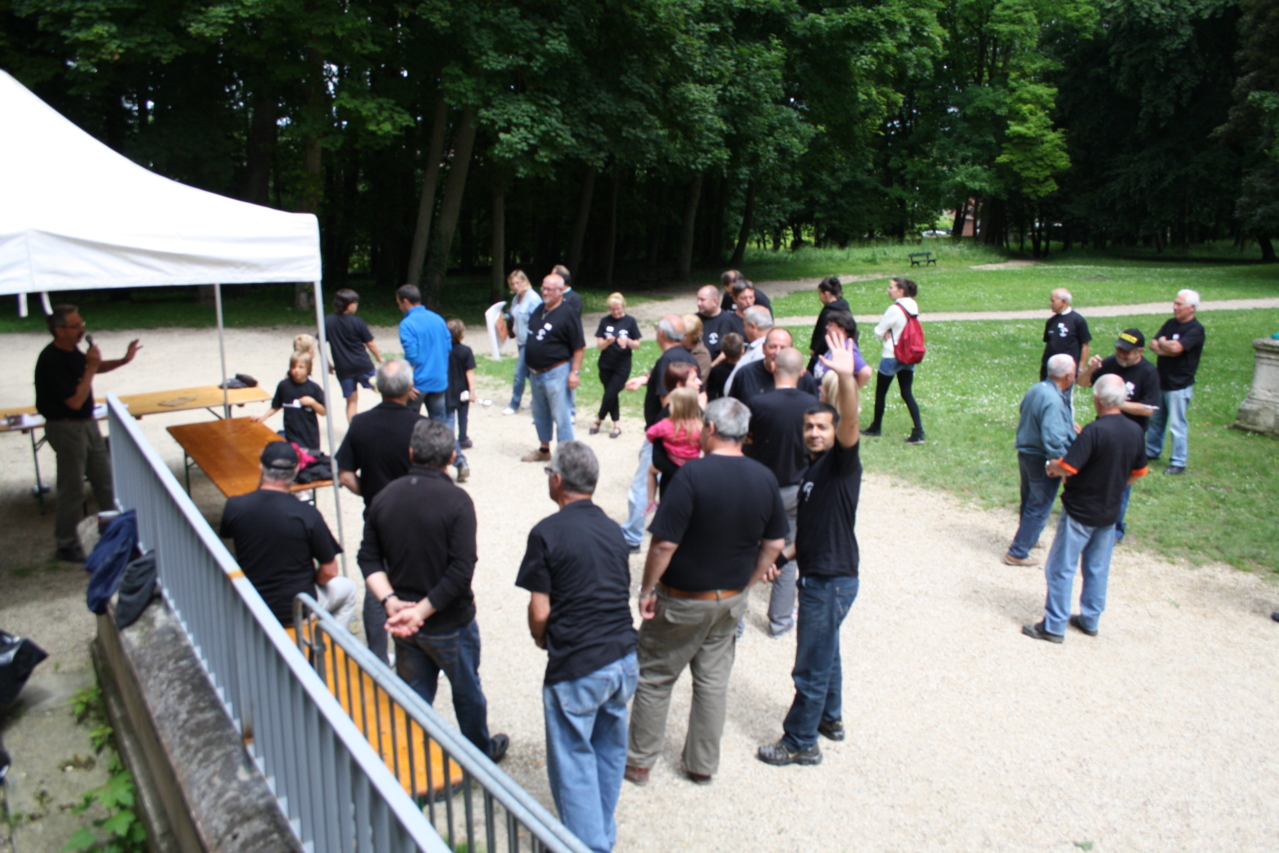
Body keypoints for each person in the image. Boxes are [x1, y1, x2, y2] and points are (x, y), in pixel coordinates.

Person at [625, 398, 787, 786]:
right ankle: (701, 765)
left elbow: (664, 544)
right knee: (713, 683)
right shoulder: (764, 478)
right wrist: (747, 583)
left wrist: (646, 589)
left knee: (655, 677)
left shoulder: (691, 476)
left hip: (682, 599)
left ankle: (639, 762)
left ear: (710, 429)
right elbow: (775, 543)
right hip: (729, 601)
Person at [358, 419, 509, 761]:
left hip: (404, 621)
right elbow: (461, 571)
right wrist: (421, 611)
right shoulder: (457, 501)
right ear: (452, 457)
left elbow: (368, 558)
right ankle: (478, 755)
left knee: (414, 696)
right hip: (448, 621)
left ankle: (413, 760)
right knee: (467, 692)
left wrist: (391, 602)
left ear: (411, 453)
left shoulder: (384, 497)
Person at [517, 442, 637, 853]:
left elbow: (539, 610)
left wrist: (540, 636)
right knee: (607, 750)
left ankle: (589, 845)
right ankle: (601, 833)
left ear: (557, 480)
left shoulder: (546, 533)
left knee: (573, 761)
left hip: (579, 662)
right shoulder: (614, 530)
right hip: (623, 657)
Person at [756, 325, 862, 766]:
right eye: (809, 427)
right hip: (820, 573)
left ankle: (800, 742)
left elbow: (851, 423)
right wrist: (782, 556)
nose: (815, 433)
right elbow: (811, 531)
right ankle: (830, 719)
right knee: (827, 651)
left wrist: (847, 378)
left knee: (810, 664)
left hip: (830, 580)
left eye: (822, 427)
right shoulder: (814, 472)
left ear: (835, 431)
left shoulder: (841, 464)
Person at [1022, 375, 1149, 643]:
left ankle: (1054, 625)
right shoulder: (1135, 431)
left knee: (1061, 567)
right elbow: (1139, 472)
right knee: (1097, 567)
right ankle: (1090, 619)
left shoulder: (1095, 431)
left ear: (1097, 399)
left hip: (1081, 510)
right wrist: (1115, 485)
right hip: (1109, 510)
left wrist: (1051, 465)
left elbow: (1068, 467)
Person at [334, 359, 426, 663]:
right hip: (416, 517)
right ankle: (417, 653)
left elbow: (345, 476)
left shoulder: (360, 424)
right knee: (418, 581)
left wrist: (374, 494)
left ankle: (377, 656)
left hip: (377, 515)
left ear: (377, 388)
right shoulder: (420, 426)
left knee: (378, 585)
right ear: (409, 388)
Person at [35, 304, 140, 562]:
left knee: (106, 480)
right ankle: (66, 544)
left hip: (87, 424)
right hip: (66, 426)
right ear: (59, 330)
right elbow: (74, 400)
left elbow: (92, 366)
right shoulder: (51, 360)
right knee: (72, 488)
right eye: (76, 326)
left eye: (82, 324)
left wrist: (123, 360)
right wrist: (91, 368)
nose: (82, 330)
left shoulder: (72, 352)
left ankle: (119, 533)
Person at [219, 442, 355, 629]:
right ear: (296, 471)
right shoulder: (307, 514)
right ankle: (328, 640)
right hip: (298, 607)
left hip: (252, 604)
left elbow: (227, 537)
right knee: (348, 590)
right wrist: (313, 580)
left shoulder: (235, 506)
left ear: (261, 468)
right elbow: (330, 571)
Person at [744, 347, 819, 637]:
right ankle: (780, 619)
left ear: (774, 367)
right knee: (787, 553)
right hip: (795, 488)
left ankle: (734, 621)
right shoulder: (813, 404)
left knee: (745, 548)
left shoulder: (757, 403)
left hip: (759, 488)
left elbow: (747, 440)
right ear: (802, 373)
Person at [619, 316, 697, 551]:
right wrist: (644, 379)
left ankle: (632, 535)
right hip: (686, 437)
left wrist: (659, 434)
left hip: (665, 438)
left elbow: (668, 403)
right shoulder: (687, 357)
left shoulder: (668, 360)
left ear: (661, 334)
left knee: (643, 485)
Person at [1079, 329, 1160, 542]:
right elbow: (1082, 383)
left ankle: (1114, 530)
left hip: (1129, 437)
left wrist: (1115, 402)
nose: (1121, 354)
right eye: (1119, 349)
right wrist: (1090, 369)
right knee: (1095, 476)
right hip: (1103, 432)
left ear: (1140, 351)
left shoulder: (1148, 372)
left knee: (1121, 484)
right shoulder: (1109, 363)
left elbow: (1149, 409)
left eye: (1127, 351)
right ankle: (1090, 519)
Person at [1003, 354, 1078, 567]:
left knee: (1029, 499)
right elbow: (1054, 439)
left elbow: (1029, 413)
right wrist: (1059, 463)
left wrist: (1067, 425)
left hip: (1026, 452)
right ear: (1068, 375)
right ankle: (1018, 552)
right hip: (1041, 458)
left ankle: (1029, 537)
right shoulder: (1054, 400)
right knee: (1040, 505)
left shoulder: (1037, 389)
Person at [522, 273, 586, 462]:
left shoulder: (568, 313)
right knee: (540, 414)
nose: (545, 292)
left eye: (550, 289)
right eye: (543, 288)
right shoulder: (538, 310)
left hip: (557, 372)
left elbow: (579, 347)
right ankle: (544, 450)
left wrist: (575, 372)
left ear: (560, 290)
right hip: (536, 372)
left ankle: (566, 457)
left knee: (561, 416)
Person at [1146, 289, 1206, 475]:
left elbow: (1176, 348)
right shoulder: (1170, 323)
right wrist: (1167, 348)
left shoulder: (1195, 329)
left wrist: (1165, 344)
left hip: (1179, 385)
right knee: (1155, 420)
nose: (1175, 307)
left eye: (1179, 304)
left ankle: (1178, 462)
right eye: (1175, 303)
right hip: (1161, 380)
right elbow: (1153, 344)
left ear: (1192, 308)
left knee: (1177, 425)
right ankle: (1151, 451)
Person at [861, 276, 925, 445]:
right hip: (909, 354)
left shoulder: (894, 309)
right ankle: (919, 431)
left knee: (881, 392)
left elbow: (878, 332)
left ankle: (876, 427)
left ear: (901, 291)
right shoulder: (913, 306)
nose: (888, 290)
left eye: (891, 287)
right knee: (907, 392)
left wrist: (886, 331)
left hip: (892, 354)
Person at [325, 288, 383, 423]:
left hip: (343, 368)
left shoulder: (328, 321)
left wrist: (327, 363)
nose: (356, 305)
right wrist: (379, 358)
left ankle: (353, 429)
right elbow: (370, 343)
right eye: (355, 303)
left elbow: (320, 343)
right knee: (383, 390)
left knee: (351, 401)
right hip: (363, 365)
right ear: (349, 305)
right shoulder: (357, 321)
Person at [396, 283, 451, 420]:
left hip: (418, 383)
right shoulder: (438, 319)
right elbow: (448, 348)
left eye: (399, 303)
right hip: (438, 380)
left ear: (405, 301)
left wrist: (407, 382)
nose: (399, 307)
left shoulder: (407, 323)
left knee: (409, 421)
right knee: (438, 423)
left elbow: (412, 355)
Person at [644, 386, 702, 512]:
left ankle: (651, 501)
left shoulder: (666, 424)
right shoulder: (700, 426)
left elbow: (650, 433)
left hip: (672, 461)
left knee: (651, 471)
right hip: (692, 463)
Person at [728, 328, 820, 405]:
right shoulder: (745, 374)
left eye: (783, 348)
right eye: (772, 347)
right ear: (763, 348)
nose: (777, 352)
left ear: (791, 350)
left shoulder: (803, 377)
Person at [593, 293, 642, 438]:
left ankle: (599, 420)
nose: (616, 312)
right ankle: (617, 425)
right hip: (606, 364)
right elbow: (599, 346)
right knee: (611, 394)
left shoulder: (630, 321)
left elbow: (637, 345)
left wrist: (628, 342)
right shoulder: (605, 321)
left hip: (622, 365)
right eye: (613, 309)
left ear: (623, 307)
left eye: (618, 309)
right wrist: (608, 341)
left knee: (610, 393)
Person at [256, 351, 326, 452]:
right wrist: (263, 417)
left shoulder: (314, 388)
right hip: (291, 434)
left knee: (310, 459)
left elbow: (324, 412)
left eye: (301, 367)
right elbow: (277, 405)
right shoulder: (284, 385)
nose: (296, 370)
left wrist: (312, 402)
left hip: (309, 435)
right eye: (293, 367)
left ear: (308, 368)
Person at [503, 269, 542, 415]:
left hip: (529, 341)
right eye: (512, 284)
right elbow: (515, 313)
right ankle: (538, 399)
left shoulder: (533, 299)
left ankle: (514, 404)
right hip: (520, 340)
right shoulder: (516, 298)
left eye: (518, 282)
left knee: (519, 373)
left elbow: (538, 320)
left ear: (525, 281)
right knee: (530, 374)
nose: (515, 286)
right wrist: (507, 317)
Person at [444, 319, 476, 483]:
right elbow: (469, 371)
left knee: (449, 417)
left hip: (447, 390)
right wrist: (472, 390)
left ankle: (453, 439)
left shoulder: (443, 351)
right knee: (463, 416)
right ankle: (463, 438)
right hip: (462, 390)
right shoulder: (466, 351)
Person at [811, 310, 873, 389]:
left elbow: (866, 372)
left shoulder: (847, 349)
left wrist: (851, 391)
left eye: (830, 325)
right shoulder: (837, 346)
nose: (826, 327)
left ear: (842, 329)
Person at [1040, 289, 1091, 381]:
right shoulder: (1051, 321)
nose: (1050, 303)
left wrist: (1080, 368)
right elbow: (1049, 344)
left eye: (1053, 301)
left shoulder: (1077, 320)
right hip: (1049, 371)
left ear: (1063, 301)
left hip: (1066, 372)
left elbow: (1085, 345)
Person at [723, 306, 774, 396]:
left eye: (745, 325)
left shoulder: (762, 351)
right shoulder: (759, 347)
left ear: (753, 326)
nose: (743, 329)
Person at [808, 277, 851, 372]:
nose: (820, 298)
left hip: (826, 355)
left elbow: (822, 335)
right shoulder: (844, 307)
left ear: (827, 294)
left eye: (820, 294)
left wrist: (815, 351)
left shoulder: (828, 312)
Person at [696, 284, 743, 359]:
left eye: (702, 300)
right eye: (698, 299)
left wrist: (711, 365)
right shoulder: (694, 320)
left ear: (715, 301)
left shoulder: (730, 320)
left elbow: (729, 353)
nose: (698, 303)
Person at [706, 332, 743, 401]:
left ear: (723, 352)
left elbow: (711, 393)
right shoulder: (745, 370)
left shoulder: (716, 371)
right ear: (742, 351)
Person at [682, 314, 713, 381]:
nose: (680, 337)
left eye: (684, 335)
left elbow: (699, 380)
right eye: (679, 333)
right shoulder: (674, 347)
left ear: (694, 336)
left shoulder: (702, 355)